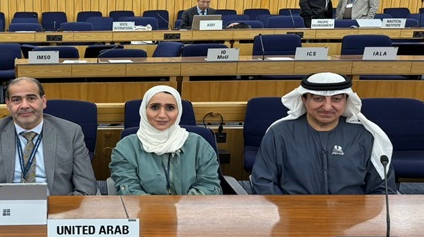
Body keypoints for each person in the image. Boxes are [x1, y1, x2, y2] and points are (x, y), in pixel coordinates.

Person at [251, 72, 397, 195]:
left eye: (336, 99)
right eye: (318, 99)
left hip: (351, 221)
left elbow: (382, 189)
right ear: (304, 99)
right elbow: (263, 182)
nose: (327, 107)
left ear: (346, 101)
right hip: (292, 218)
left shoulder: (365, 136)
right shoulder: (279, 134)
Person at [0, 77, 96, 195]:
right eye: (16, 100)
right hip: (6, 206)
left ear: (43, 101)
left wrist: (61, 210)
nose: (24, 105)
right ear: (8, 104)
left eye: (31, 98)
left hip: (56, 206)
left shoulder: (71, 132)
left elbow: (86, 187)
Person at [110, 86, 220, 195]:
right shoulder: (126, 147)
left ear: (179, 111)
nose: (162, 115)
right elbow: (128, 189)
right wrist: (159, 210)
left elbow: (209, 186)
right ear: (144, 110)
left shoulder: (199, 145)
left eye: (170, 108)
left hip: (192, 210)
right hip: (143, 211)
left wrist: (181, 209)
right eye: (154, 107)